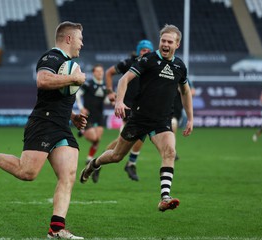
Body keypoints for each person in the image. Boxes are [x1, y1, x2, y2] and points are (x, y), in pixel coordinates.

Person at [0, 21, 87, 240]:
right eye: (79, 38)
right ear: (68, 39)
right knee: (27, 173)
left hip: (61, 126)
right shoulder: (52, 57)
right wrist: (74, 78)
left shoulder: (67, 63)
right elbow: (42, 81)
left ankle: (56, 229)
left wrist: (73, 116)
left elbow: (56, 99)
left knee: (68, 175)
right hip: (44, 123)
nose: (82, 43)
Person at [80, 24, 193, 212]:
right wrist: (119, 101)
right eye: (163, 41)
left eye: (169, 41)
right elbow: (124, 79)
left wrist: (190, 118)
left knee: (170, 153)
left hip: (161, 120)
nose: (165, 44)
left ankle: (165, 197)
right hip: (139, 117)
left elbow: (186, 91)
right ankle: (94, 163)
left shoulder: (180, 66)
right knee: (116, 156)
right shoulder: (148, 59)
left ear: (177, 44)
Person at [96, 39, 154, 182]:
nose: (145, 52)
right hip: (128, 106)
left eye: (148, 50)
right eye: (143, 50)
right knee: (128, 137)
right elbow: (109, 73)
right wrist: (110, 92)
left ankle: (126, 163)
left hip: (144, 106)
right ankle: (104, 162)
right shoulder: (129, 63)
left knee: (136, 136)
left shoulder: (153, 65)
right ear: (138, 50)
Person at [75, 64, 107, 168]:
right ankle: (83, 131)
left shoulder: (105, 86)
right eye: (97, 71)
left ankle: (89, 158)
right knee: (93, 137)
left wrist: (112, 99)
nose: (100, 73)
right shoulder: (88, 84)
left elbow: (106, 100)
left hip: (99, 115)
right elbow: (77, 94)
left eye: (101, 71)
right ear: (94, 73)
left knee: (97, 139)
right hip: (88, 115)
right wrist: (81, 108)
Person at [172, 79, 196, 160]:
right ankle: (172, 151)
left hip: (176, 110)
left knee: (173, 125)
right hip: (162, 107)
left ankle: (172, 150)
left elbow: (192, 92)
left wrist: (183, 89)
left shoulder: (182, 76)